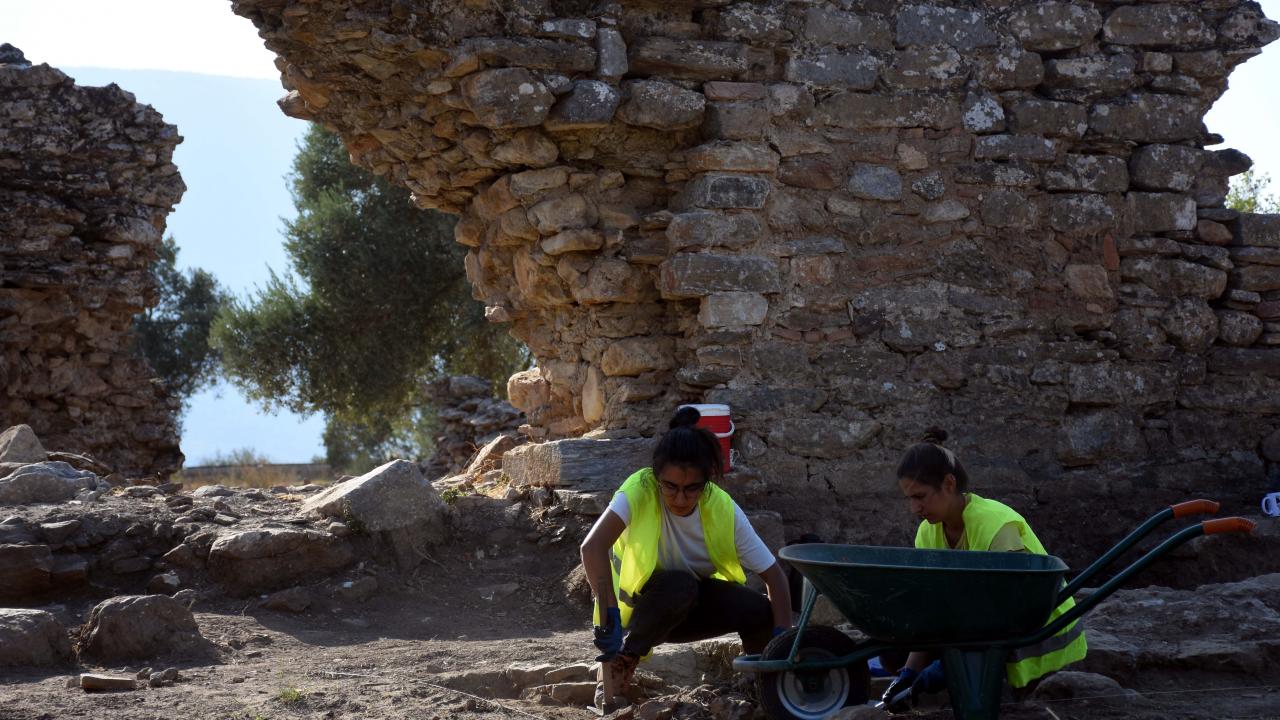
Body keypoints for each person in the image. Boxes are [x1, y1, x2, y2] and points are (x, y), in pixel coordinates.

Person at [580, 406, 792, 692]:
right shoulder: (639, 489)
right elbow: (592, 547)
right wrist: (608, 615)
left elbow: (775, 578)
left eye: (692, 488)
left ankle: (762, 685)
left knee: (760, 611)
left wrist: (782, 640)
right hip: (639, 615)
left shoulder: (722, 509)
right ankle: (623, 662)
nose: (680, 498)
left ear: (706, 484)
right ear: (656, 478)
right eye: (670, 487)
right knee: (679, 584)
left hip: (691, 611)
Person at [881, 427, 1087, 711]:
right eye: (909, 498)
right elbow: (935, 610)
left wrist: (949, 661)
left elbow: (1013, 607)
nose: (914, 508)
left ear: (949, 484)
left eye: (921, 496)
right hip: (987, 628)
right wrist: (909, 672)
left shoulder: (996, 525)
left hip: (1038, 631)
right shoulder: (927, 534)